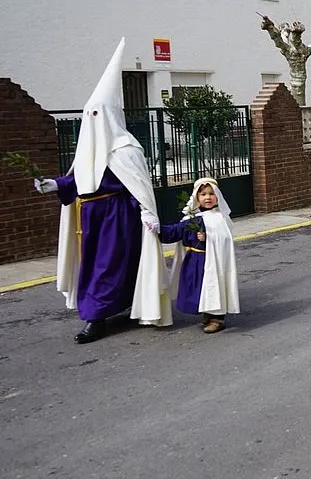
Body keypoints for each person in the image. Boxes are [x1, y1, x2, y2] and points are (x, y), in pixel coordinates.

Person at [33, 39, 169, 343]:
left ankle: (96, 318)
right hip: (89, 218)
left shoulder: (125, 147)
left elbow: (138, 186)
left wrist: (147, 212)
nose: (91, 120)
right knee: (97, 265)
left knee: (107, 266)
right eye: (88, 113)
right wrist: (54, 184)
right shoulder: (87, 149)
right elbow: (79, 180)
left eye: (98, 113)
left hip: (118, 217)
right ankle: (114, 307)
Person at [145, 178, 240, 333]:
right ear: (197, 197)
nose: (207, 197)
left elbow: (225, 239)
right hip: (193, 261)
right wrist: (157, 228)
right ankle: (206, 312)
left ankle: (217, 318)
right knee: (197, 288)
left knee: (213, 286)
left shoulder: (219, 218)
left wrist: (208, 237)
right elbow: (176, 231)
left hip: (212, 261)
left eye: (211, 194)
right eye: (203, 194)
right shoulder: (191, 218)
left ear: (217, 196)